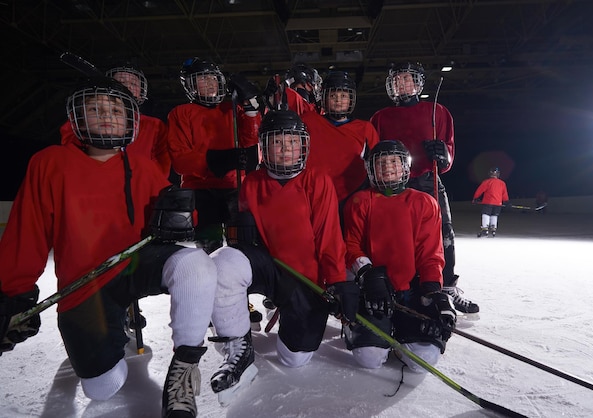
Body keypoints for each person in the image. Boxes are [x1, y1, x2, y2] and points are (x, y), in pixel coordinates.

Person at [0, 78, 256, 416]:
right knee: (103, 387)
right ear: (78, 118)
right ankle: (110, 331)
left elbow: (179, 210)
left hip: (135, 265)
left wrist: (180, 214)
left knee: (195, 263)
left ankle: (183, 370)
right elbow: (27, 234)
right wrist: (12, 293)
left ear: (129, 120)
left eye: (116, 110)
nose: (107, 116)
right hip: (87, 284)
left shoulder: (141, 166)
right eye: (95, 109)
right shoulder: (50, 163)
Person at [216, 109, 360, 368]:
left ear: (303, 145)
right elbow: (245, 246)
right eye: (277, 142)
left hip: (305, 277)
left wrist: (337, 282)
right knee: (225, 263)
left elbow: (329, 237)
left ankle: (292, 312)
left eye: (293, 141)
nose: (286, 149)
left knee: (295, 358)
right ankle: (236, 339)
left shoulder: (317, 180)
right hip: (269, 268)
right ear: (265, 147)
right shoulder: (251, 183)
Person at [370, 61, 479, 314]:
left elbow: (449, 154)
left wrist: (443, 156)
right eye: (397, 80)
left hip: (428, 179)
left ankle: (447, 287)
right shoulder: (380, 117)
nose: (402, 83)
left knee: (443, 234)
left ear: (418, 82)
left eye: (407, 79)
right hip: (395, 184)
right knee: (398, 236)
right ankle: (403, 285)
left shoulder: (438, 111)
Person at [342, 140, 456, 371]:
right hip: (373, 291)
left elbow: (431, 253)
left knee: (423, 360)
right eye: (381, 163)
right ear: (371, 169)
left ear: (405, 166)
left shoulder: (425, 202)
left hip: (410, 291)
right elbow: (351, 246)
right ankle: (359, 326)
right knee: (369, 358)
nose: (388, 167)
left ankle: (403, 331)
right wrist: (368, 274)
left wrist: (433, 291)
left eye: (393, 161)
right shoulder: (359, 201)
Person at [167, 57, 263, 324]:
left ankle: (238, 300)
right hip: (201, 190)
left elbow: (252, 138)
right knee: (208, 250)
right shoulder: (181, 114)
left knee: (238, 249)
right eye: (202, 79)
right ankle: (210, 303)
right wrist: (217, 160)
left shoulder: (232, 109)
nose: (208, 84)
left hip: (235, 187)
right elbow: (180, 160)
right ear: (190, 85)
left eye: (212, 78)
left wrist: (252, 107)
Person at [59, 63, 171, 178]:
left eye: (133, 83)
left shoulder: (155, 125)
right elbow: (71, 150)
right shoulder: (86, 119)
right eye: (121, 82)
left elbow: (162, 163)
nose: (128, 86)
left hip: (140, 186)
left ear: (141, 91)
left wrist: (144, 182)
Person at [301, 70, 379, 207]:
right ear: (324, 98)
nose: (338, 100)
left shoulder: (365, 128)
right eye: (333, 95)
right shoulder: (309, 121)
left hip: (353, 196)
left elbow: (377, 165)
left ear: (350, 99)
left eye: (343, 95)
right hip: (313, 195)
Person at [473, 167, 510, 237]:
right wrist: (506, 201)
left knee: (486, 214)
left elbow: (480, 190)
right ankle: (493, 228)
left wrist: (475, 198)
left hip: (488, 202)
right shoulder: (502, 183)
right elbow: (504, 194)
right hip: (498, 203)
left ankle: (485, 229)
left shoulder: (487, 182)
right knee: (494, 215)